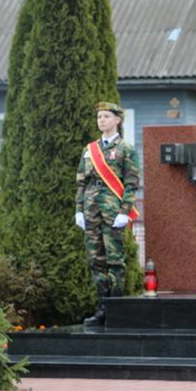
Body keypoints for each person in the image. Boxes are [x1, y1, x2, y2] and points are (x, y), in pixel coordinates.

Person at [75, 102, 140, 326]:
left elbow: (131, 183)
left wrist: (125, 211)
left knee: (115, 261)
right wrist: (79, 209)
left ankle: (117, 311)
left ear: (117, 120)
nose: (101, 120)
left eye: (106, 116)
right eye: (99, 117)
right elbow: (81, 182)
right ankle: (102, 309)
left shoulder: (126, 149)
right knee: (96, 261)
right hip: (91, 210)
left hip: (113, 211)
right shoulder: (89, 150)